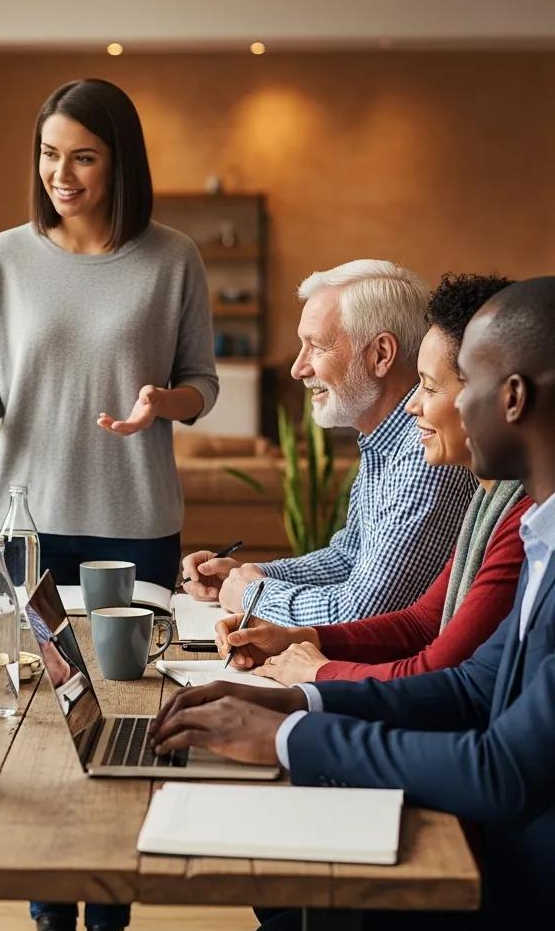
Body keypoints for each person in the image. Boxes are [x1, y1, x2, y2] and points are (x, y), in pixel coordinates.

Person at [0, 79, 219, 931]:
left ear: (120, 162)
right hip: (25, 529)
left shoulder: (172, 257)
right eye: (49, 155)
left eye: (83, 157)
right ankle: (52, 923)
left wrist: (162, 402)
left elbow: (202, 385)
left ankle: (110, 925)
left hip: (136, 524)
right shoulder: (4, 257)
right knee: (37, 723)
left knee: (128, 721)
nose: (61, 175)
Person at [150, 276, 555, 931]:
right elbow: (470, 686)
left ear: (511, 398)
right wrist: (291, 699)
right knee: (288, 918)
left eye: (454, 383)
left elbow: (500, 768)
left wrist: (288, 733)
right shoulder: (537, 528)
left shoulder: (523, 526)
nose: (425, 405)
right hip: (510, 862)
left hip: (529, 897)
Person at [216, 273, 531, 685]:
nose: (297, 368)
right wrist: (297, 636)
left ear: (509, 398)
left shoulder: (506, 507)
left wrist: (316, 669)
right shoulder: (487, 502)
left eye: (429, 387)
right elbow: (419, 620)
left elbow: (440, 672)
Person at [183, 258, 477, 625]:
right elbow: (348, 557)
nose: (298, 368)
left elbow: (363, 611)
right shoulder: (385, 441)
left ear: (381, 354)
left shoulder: (424, 451)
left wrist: (253, 593)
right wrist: (247, 574)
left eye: (316, 346)